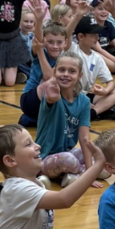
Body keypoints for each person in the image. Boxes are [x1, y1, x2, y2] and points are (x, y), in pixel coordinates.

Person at [33, 48, 102, 188]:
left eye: (72, 71)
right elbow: (51, 98)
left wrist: (90, 169)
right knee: (68, 160)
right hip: (44, 158)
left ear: (79, 75)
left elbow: (84, 139)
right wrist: (90, 175)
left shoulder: (83, 101)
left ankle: (71, 176)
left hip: (67, 152)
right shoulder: (52, 94)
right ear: (54, 72)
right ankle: (78, 174)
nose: (65, 74)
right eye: (61, 70)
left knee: (97, 151)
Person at [72, 14, 115, 120]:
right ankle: (100, 110)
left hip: (86, 96)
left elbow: (111, 82)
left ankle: (92, 113)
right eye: (93, 35)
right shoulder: (72, 49)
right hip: (70, 96)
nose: (97, 37)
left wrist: (105, 91)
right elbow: (67, 34)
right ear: (81, 36)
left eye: (98, 34)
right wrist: (77, 14)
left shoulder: (97, 58)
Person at [20, 20, 69, 125]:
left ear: (65, 43)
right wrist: (39, 18)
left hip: (50, 101)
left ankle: (33, 119)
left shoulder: (66, 58)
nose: (55, 46)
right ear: (44, 41)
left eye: (59, 42)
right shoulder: (39, 52)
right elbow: (48, 76)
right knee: (52, 81)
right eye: (50, 42)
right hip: (29, 99)